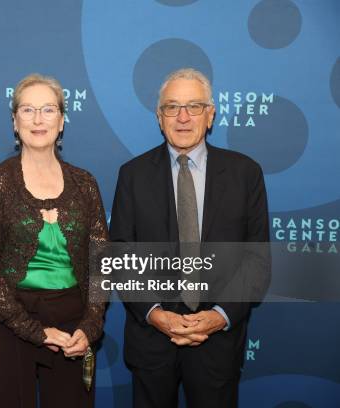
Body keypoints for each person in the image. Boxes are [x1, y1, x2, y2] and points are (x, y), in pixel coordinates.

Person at [110, 68, 270, 408]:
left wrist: (219, 316)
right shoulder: (132, 175)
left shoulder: (245, 174)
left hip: (218, 346)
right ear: (159, 116)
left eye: (194, 106)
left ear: (210, 115)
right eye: (172, 107)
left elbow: (257, 260)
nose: (183, 117)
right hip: (151, 340)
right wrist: (154, 313)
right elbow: (120, 256)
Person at [0, 73, 108, 407]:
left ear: (62, 121)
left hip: (73, 327)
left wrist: (90, 325)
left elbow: (102, 262)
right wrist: (32, 330)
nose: (38, 119)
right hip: (9, 321)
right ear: (14, 122)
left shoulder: (85, 183)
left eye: (48, 110)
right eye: (27, 110)